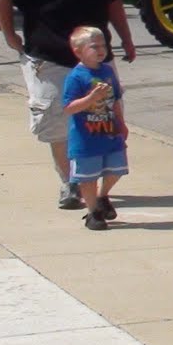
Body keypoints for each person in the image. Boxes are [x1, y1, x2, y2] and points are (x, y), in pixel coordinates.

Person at [0, 0, 136, 212]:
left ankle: (94, 183)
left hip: (97, 57)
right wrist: (9, 34)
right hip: (51, 57)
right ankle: (70, 181)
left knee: (104, 119)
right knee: (59, 122)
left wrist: (126, 38)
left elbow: (114, 1)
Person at [61, 26, 128, 231]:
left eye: (103, 45)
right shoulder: (76, 77)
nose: (101, 50)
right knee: (88, 177)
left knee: (116, 169)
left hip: (109, 132)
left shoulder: (107, 71)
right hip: (86, 137)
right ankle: (93, 213)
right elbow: (68, 108)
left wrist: (121, 122)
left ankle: (102, 196)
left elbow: (116, 99)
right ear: (78, 51)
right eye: (94, 46)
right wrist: (91, 99)